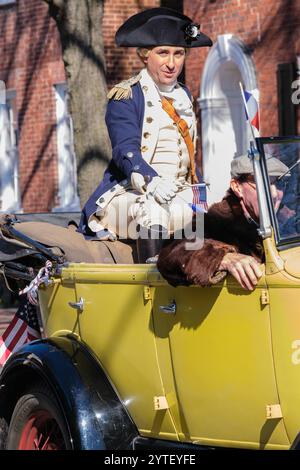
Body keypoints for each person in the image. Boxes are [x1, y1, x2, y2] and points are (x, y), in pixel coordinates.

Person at [78, 8, 212, 262]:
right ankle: (151, 285)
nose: (171, 63)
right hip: (129, 195)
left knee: (215, 215)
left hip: (178, 193)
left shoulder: (184, 97)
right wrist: (151, 180)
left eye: (178, 54)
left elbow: (188, 158)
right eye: (163, 53)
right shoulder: (127, 95)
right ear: (145, 55)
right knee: (153, 209)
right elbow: (124, 149)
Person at [157, 153, 290, 291]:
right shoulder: (216, 221)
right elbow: (171, 253)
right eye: (263, 183)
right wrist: (221, 258)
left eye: (278, 183)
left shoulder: (288, 219)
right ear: (237, 187)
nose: (274, 193)